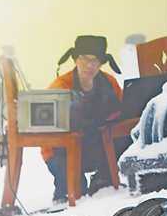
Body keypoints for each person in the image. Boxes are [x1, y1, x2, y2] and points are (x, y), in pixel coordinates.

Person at [42, 35, 126, 204]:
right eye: (85, 59)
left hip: (99, 145)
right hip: (62, 150)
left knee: (125, 137)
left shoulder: (110, 83)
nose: (90, 65)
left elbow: (124, 115)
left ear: (102, 63)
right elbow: (47, 129)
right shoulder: (60, 85)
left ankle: (103, 179)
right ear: (75, 59)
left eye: (95, 60)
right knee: (73, 192)